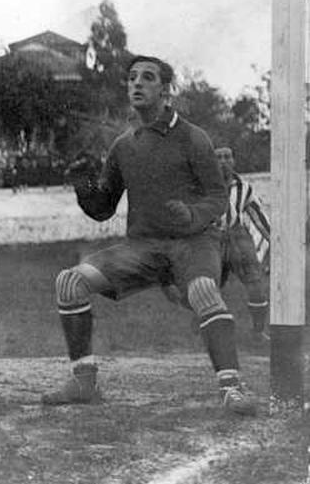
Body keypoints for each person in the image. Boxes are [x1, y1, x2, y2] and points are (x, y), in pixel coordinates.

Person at [42, 55, 257, 415]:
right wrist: (83, 186)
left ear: (167, 90)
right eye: (131, 78)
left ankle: (232, 387)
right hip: (142, 248)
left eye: (147, 77)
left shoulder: (193, 138)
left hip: (193, 244)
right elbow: (103, 209)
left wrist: (192, 214)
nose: (136, 83)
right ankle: (84, 382)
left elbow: (218, 197)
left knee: (204, 290)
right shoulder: (124, 146)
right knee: (69, 282)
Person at [213, 146, 271, 342]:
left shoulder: (244, 188)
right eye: (218, 157)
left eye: (227, 157)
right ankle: (206, 332)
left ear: (234, 160)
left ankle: (257, 331)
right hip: (210, 239)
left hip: (238, 237)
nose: (223, 161)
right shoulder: (203, 186)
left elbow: (258, 217)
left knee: (256, 283)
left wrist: (275, 241)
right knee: (206, 286)